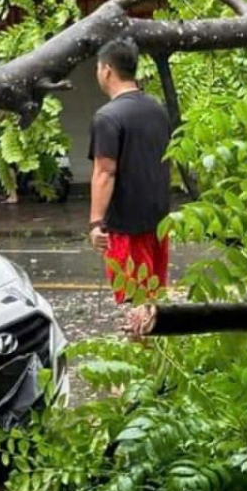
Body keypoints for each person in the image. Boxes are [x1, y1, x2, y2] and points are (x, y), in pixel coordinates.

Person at [88, 37, 172, 303]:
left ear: (106, 69)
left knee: (133, 303)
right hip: (158, 224)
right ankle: (153, 345)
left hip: (126, 228)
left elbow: (104, 172)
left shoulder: (108, 117)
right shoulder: (157, 108)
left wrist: (96, 223)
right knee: (152, 301)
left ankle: (137, 346)